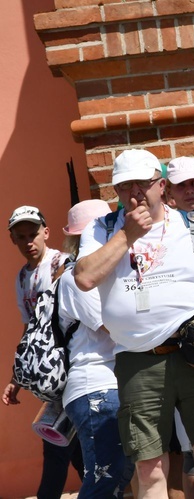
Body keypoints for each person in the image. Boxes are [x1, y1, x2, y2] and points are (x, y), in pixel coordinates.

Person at [74, 148, 194, 498]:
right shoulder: (103, 230)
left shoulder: (191, 227)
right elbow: (84, 278)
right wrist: (126, 234)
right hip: (138, 359)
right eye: (125, 186)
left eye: (142, 184)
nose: (134, 193)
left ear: (161, 186)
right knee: (149, 469)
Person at [3, 204, 85, 499]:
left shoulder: (61, 263)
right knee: (70, 446)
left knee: (56, 446)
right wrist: (17, 377)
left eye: (33, 234)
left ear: (46, 233)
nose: (28, 242)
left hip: (72, 366)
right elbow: (30, 330)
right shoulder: (22, 277)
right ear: (12, 239)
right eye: (21, 236)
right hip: (49, 376)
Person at [57, 199, 135, 498]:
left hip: (111, 384)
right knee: (105, 477)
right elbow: (112, 328)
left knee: (117, 476)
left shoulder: (110, 275)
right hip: (96, 385)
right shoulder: (76, 280)